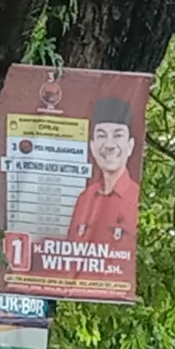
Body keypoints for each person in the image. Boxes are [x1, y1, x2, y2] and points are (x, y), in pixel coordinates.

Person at [63, 97, 142, 248]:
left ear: (130, 146)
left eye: (118, 135)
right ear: (92, 147)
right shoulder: (85, 198)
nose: (109, 145)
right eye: (101, 135)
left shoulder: (137, 198)